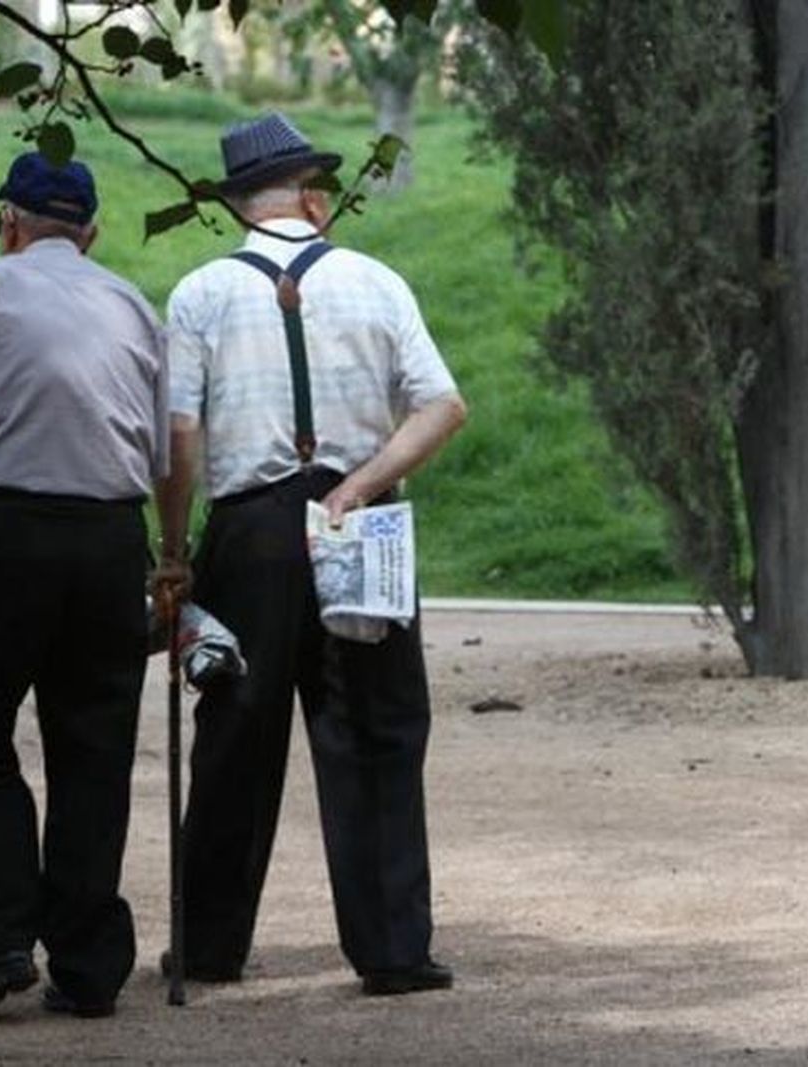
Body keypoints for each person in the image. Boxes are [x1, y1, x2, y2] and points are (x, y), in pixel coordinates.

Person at [154, 112, 468, 996]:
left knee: (234, 736)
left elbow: (180, 439)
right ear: (314, 199)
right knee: (377, 731)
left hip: (249, 529)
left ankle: (210, 945)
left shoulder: (199, 292)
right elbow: (443, 407)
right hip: (359, 518)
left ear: (237, 205)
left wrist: (175, 550)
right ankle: (394, 948)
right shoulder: (376, 282)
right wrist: (361, 484)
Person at [0, 152, 168, 1019]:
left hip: (0, 537)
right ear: (89, 232)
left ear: (7, 221)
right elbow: (164, 453)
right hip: (109, 539)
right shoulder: (132, 303)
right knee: (94, 749)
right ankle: (88, 965)